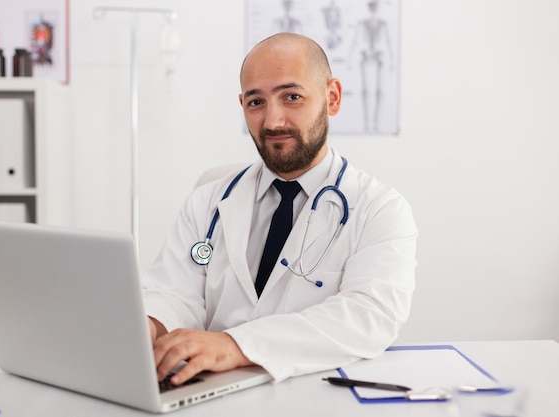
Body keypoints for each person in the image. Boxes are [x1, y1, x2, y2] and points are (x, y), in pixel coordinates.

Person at [144, 32, 417, 386]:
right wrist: (148, 325)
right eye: (256, 102)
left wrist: (235, 345)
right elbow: (174, 293)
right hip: (213, 395)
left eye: (292, 97)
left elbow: (369, 317)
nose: (273, 121)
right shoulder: (207, 202)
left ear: (332, 98)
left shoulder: (379, 208)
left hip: (315, 397)